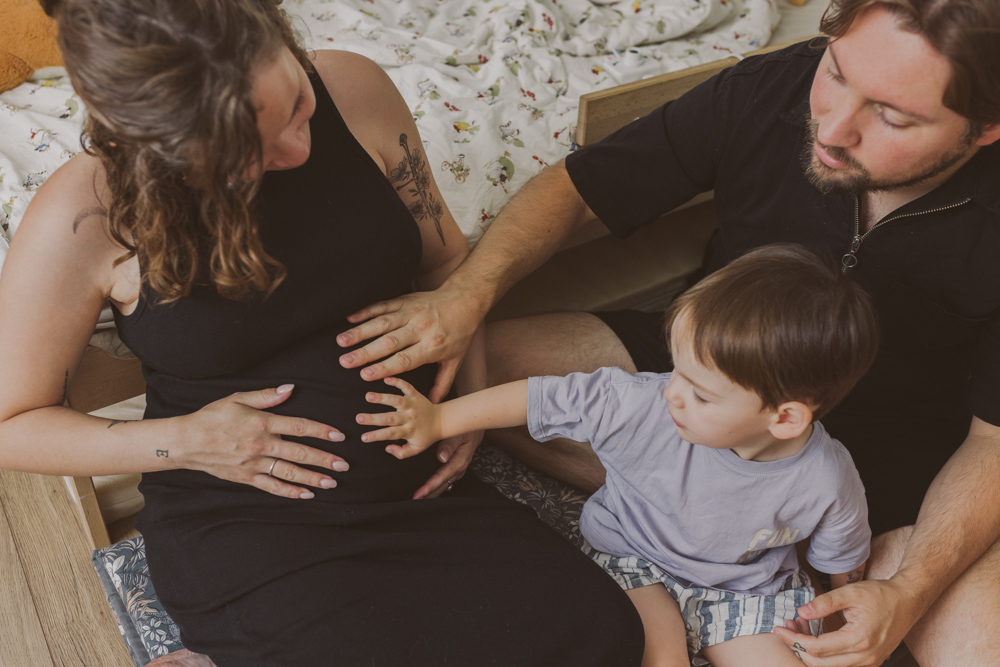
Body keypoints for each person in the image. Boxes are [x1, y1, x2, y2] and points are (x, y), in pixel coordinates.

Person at [333, 0, 1000, 664]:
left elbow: (992, 441)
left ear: (985, 129)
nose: (832, 125)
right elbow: (577, 187)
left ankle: (745, 545)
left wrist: (910, 590)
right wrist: (464, 295)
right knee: (468, 371)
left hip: (899, 462)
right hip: (714, 366)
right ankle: (692, 528)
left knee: (974, 642)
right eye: (837, 71)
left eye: (891, 115)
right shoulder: (770, 88)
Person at [0, 0, 646, 664]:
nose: (299, 149)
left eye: (299, 108)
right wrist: (183, 440)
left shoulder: (353, 88)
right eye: (246, 159)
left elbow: (448, 263)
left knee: (605, 637)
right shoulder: (88, 216)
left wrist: (466, 402)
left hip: (421, 495)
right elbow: (11, 423)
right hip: (251, 519)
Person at [356, 245, 879, 667]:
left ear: (784, 419)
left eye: (700, 393)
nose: (673, 392)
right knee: (659, 659)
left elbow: (841, 562)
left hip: (745, 588)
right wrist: (439, 420)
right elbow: (539, 396)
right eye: (677, 370)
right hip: (635, 557)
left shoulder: (827, 477)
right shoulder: (642, 403)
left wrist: (836, 616)